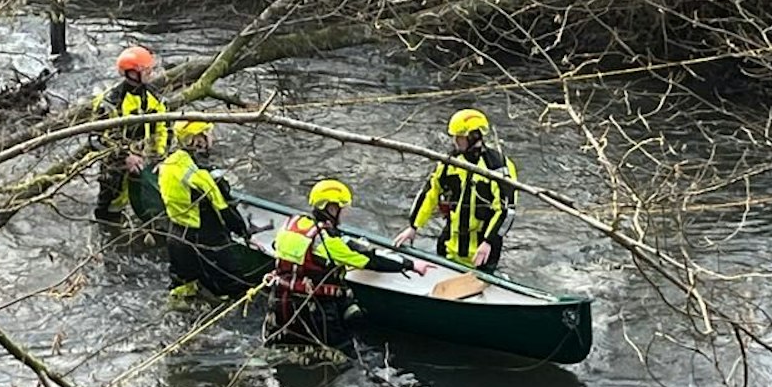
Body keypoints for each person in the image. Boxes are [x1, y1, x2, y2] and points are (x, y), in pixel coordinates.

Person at [267, 179, 413, 350]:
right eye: (342, 209)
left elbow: (276, 247)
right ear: (332, 209)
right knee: (343, 353)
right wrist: (409, 264)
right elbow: (370, 259)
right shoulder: (326, 241)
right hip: (316, 311)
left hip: (279, 305)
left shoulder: (290, 224)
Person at [391, 108, 517, 270]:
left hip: (482, 250)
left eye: (459, 137)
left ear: (474, 136)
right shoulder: (449, 163)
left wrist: (488, 242)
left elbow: (506, 211)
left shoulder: (498, 166)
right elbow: (431, 193)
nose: (455, 141)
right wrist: (414, 226)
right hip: (450, 244)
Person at [159, 120, 252, 298]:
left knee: (181, 286)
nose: (212, 138)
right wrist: (242, 230)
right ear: (197, 140)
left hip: (176, 234)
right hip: (205, 239)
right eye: (207, 133)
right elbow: (225, 211)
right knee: (234, 287)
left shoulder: (170, 163)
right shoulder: (203, 175)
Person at [91, 45, 169, 224]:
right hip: (115, 165)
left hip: (143, 159)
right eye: (147, 70)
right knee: (109, 207)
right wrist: (125, 157)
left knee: (142, 198)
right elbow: (95, 140)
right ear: (133, 73)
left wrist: (160, 156)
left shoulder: (153, 98)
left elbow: (163, 129)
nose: (151, 73)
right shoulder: (110, 102)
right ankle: (109, 233)